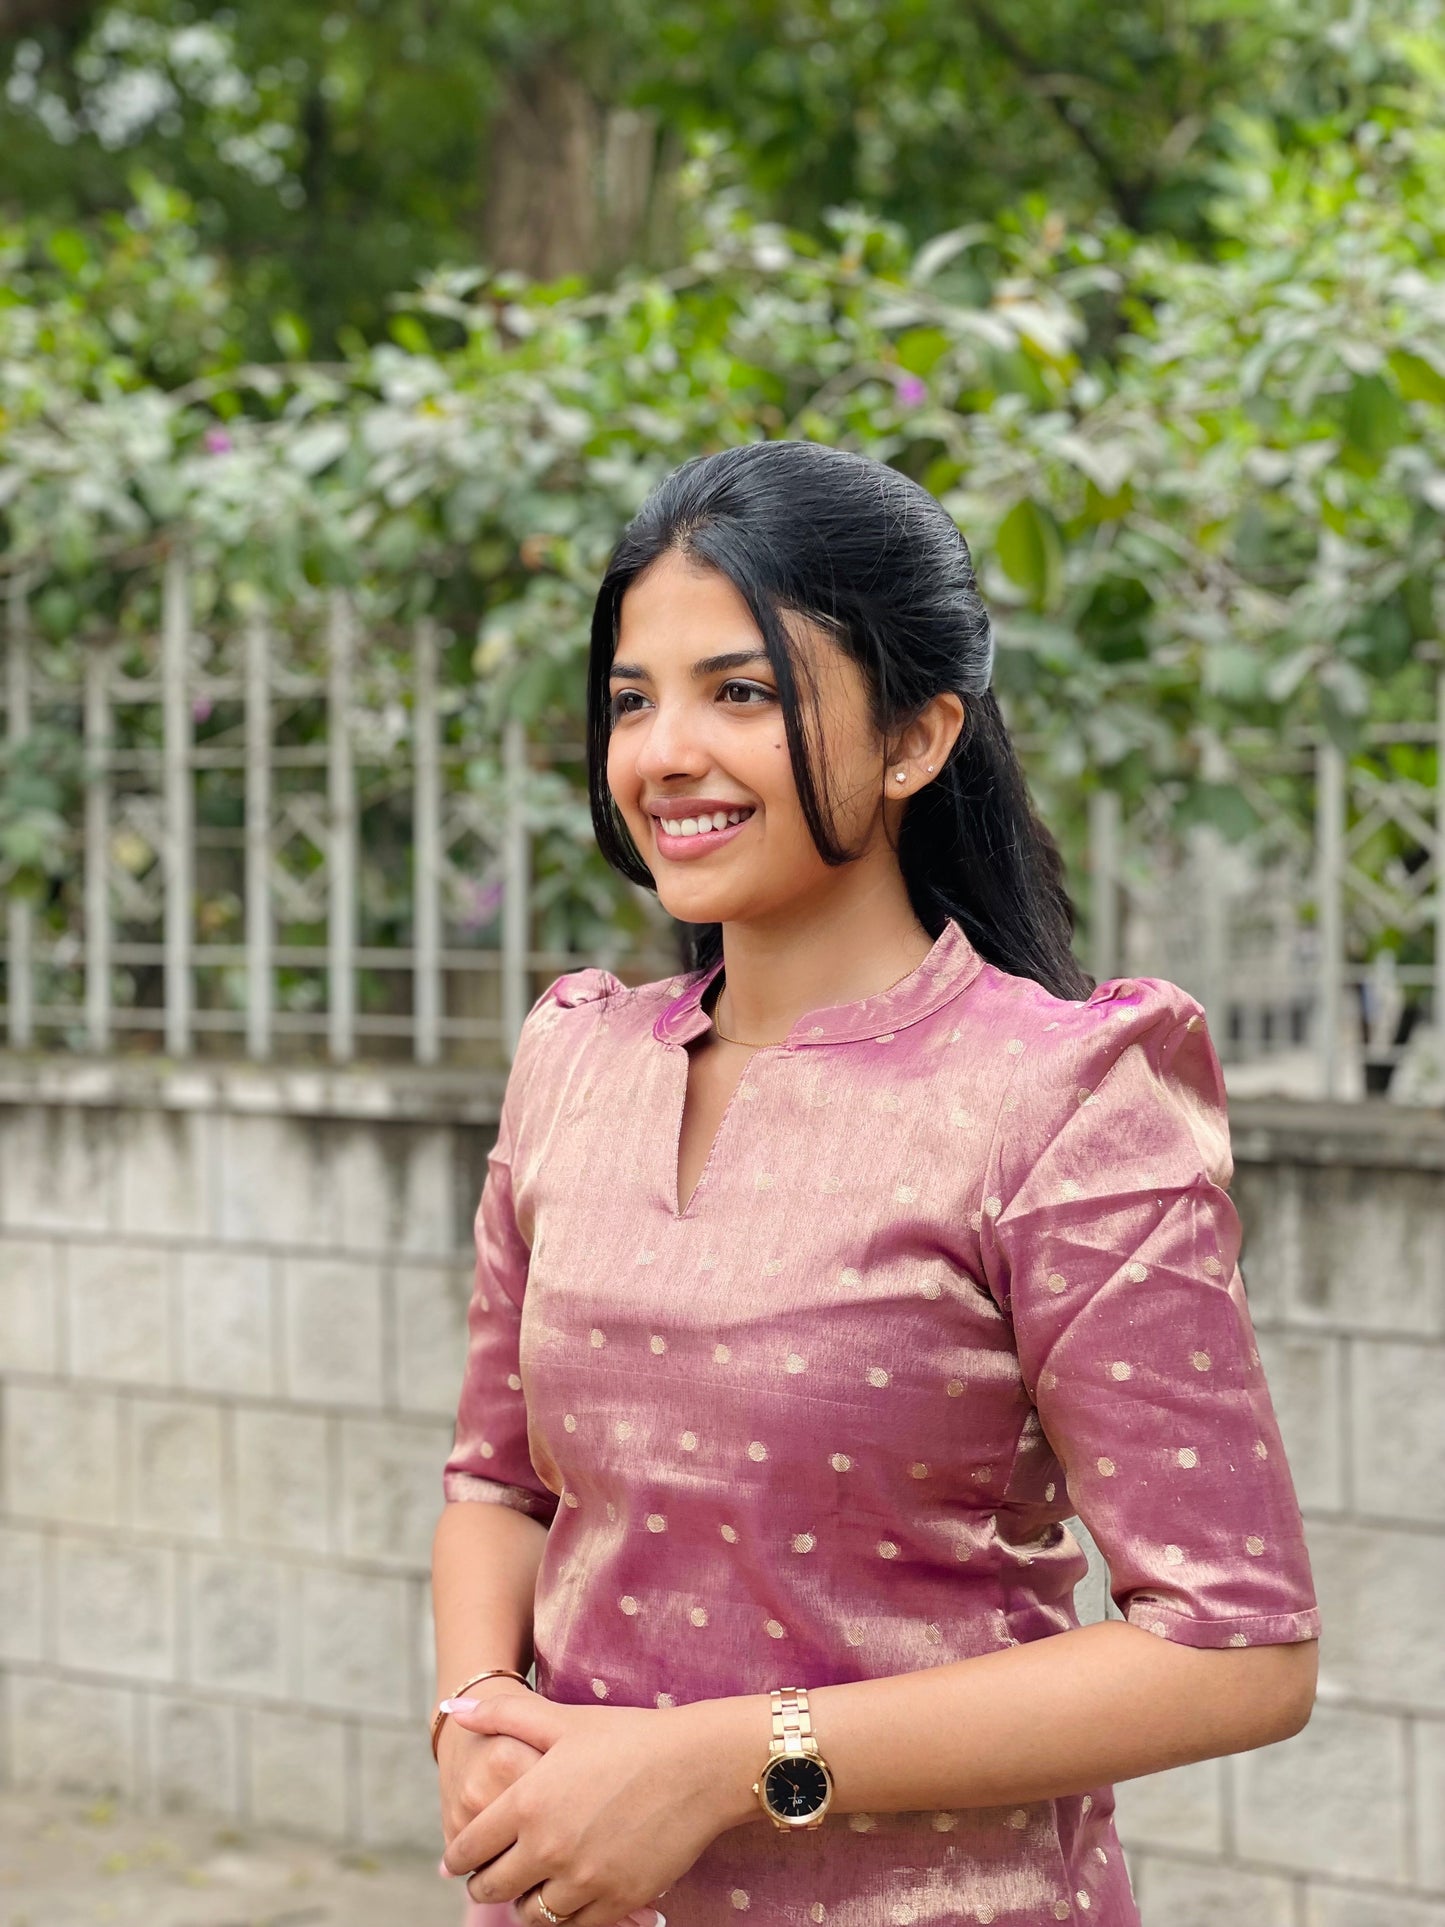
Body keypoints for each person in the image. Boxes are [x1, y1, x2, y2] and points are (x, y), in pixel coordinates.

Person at [429, 440, 1321, 1927]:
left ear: (915, 739)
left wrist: (730, 1765)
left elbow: (1237, 1648)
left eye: (743, 693)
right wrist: (472, 1701)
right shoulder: (573, 1059)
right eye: (631, 701)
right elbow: (494, 1484)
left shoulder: (1059, 1102)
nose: (662, 755)